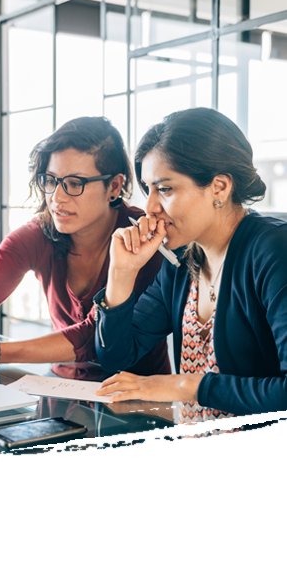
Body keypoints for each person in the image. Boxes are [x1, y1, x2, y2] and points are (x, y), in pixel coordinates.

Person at [0, 116, 170, 381]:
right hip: (61, 388)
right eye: (51, 180)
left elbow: (92, 337)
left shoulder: (142, 239)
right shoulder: (41, 232)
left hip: (137, 400)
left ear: (114, 186)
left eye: (75, 184)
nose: (57, 198)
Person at [94, 107, 287, 416]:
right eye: (148, 190)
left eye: (165, 189)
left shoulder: (274, 250)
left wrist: (185, 386)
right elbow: (115, 356)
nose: (150, 208)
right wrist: (121, 274)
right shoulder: (183, 262)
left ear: (219, 187)